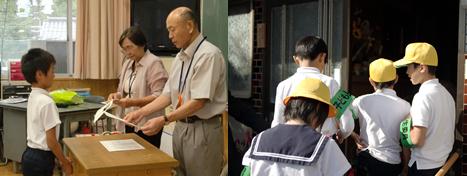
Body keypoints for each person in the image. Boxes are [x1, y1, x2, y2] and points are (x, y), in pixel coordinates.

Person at [124, 7, 226, 176]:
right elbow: (167, 95)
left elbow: (199, 102)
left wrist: (164, 119)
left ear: (190, 26)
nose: (169, 36)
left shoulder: (209, 55)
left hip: (202, 129)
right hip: (180, 126)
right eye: (168, 30)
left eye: (172, 29)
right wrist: (140, 113)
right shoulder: (180, 57)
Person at [242, 78, 351, 176]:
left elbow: (246, 173)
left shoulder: (259, 140)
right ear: (318, 110)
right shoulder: (325, 145)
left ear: (290, 105)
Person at [271, 36, 354, 142]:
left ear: (296, 60)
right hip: (323, 141)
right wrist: (342, 134)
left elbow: (277, 122)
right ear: (322, 57)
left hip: (292, 142)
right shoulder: (331, 83)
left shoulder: (283, 85)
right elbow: (347, 123)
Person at [393, 42, 455, 175]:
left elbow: (416, 140)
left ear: (422, 68)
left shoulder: (422, 96)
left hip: (422, 167)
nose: (407, 72)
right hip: (442, 164)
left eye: (409, 67)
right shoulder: (446, 94)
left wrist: (404, 126)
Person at [107, 26, 168, 147]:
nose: (127, 53)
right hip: (129, 120)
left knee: (147, 162)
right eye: (124, 49)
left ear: (142, 44)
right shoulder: (128, 63)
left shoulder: (153, 63)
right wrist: (116, 96)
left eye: (130, 47)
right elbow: (123, 91)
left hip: (149, 123)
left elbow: (160, 96)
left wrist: (132, 102)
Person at [350, 58, 410, 175]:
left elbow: (341, 119)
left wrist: (352, 135)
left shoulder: (361, 101)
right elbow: (406, 140)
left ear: (371, 81)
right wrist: (406, 167)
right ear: (396, 79)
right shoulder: (406, 106)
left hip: (366, 161)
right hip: (392, 163)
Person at [20, 48, 73, 176]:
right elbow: (51, 141)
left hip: (29, 155)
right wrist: (64, 162)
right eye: (52, 70)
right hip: (41, 159)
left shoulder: (33, 95)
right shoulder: (47, 102)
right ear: (39, 74)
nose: (54, 75)